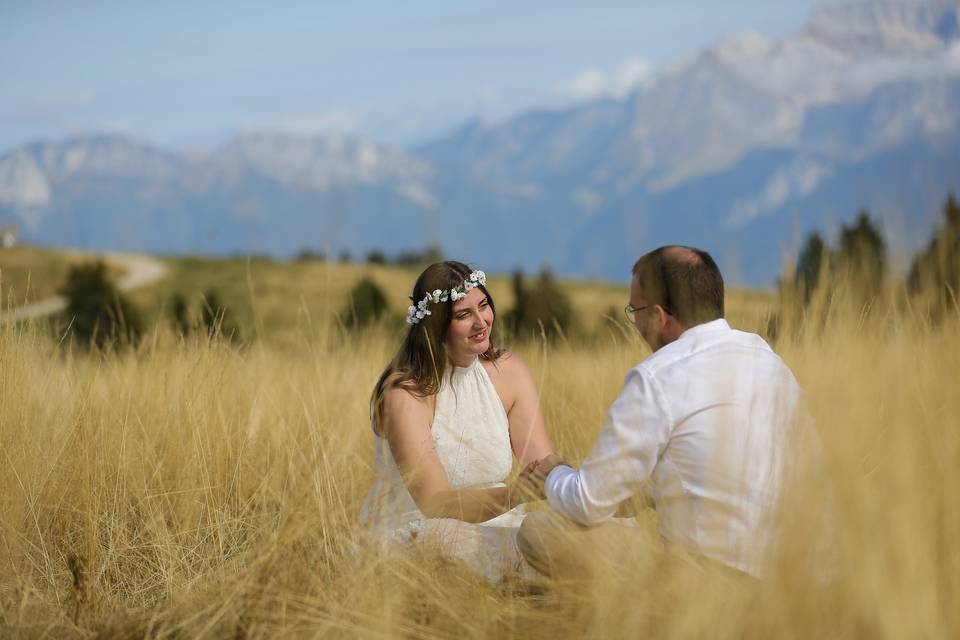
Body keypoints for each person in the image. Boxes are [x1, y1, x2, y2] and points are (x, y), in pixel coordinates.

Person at [518, 245, 810, 580]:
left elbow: (587, 503)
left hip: (706, 580)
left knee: (539, 530)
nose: (636, 322)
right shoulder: (770, 361)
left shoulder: (657, 377)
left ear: (660, 316)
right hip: (791, 575)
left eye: (635, 310)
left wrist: (554, 474)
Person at [359, 260, 554, 582]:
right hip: (420, 527)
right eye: (464, 315)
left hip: (498, 520)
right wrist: (516, 495)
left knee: (568, 534)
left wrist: (593, 488)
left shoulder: (509, 372)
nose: (482, 322)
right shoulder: (405, 393)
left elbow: (542, 463)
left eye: (484, 306)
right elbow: (435, 503)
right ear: (435, 326)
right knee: (450, 544)